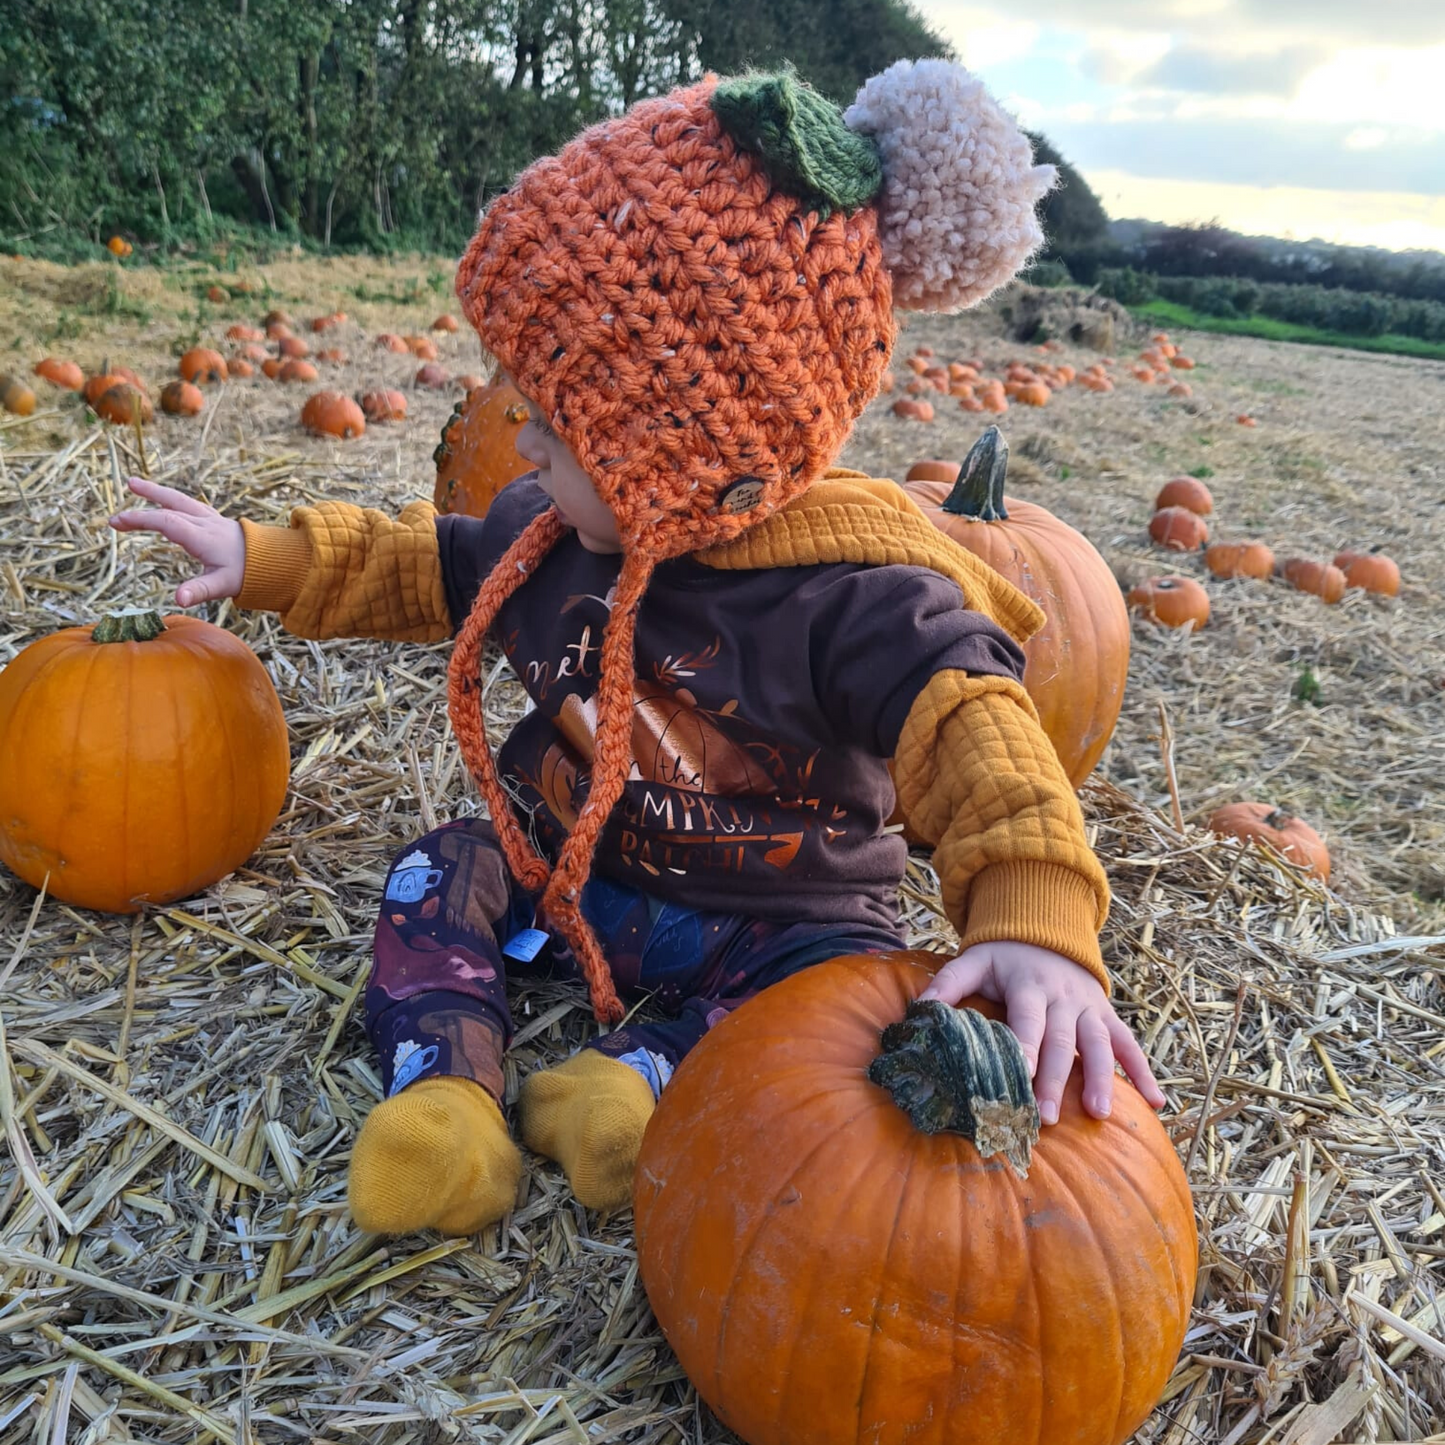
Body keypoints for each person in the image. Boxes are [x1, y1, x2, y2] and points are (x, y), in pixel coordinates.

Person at [110, 60, 1165, 1239]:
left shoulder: (855, 594)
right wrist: (262, 555)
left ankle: (633, 1081)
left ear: (683, 446)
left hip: (776, 920)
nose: (524, 448)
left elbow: (979, 730)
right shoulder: (554, 535)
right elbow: (422, 562)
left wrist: (1031, 920)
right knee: (440, 867)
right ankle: (449, 1095)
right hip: (574, 873)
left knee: (844, 998)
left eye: (556, 428)